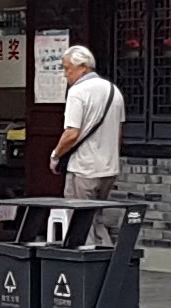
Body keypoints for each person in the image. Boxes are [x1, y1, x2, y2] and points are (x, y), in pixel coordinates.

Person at [51, 44, 126, 201]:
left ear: (83, 67)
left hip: (83, 169)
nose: (66, 74)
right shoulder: (114, 90)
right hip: (109, 169)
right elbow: (118, 134)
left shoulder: (77, 92)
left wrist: (56, 155)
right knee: (95, 216)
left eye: (68, 68)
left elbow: (72, 133)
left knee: (79, 221)